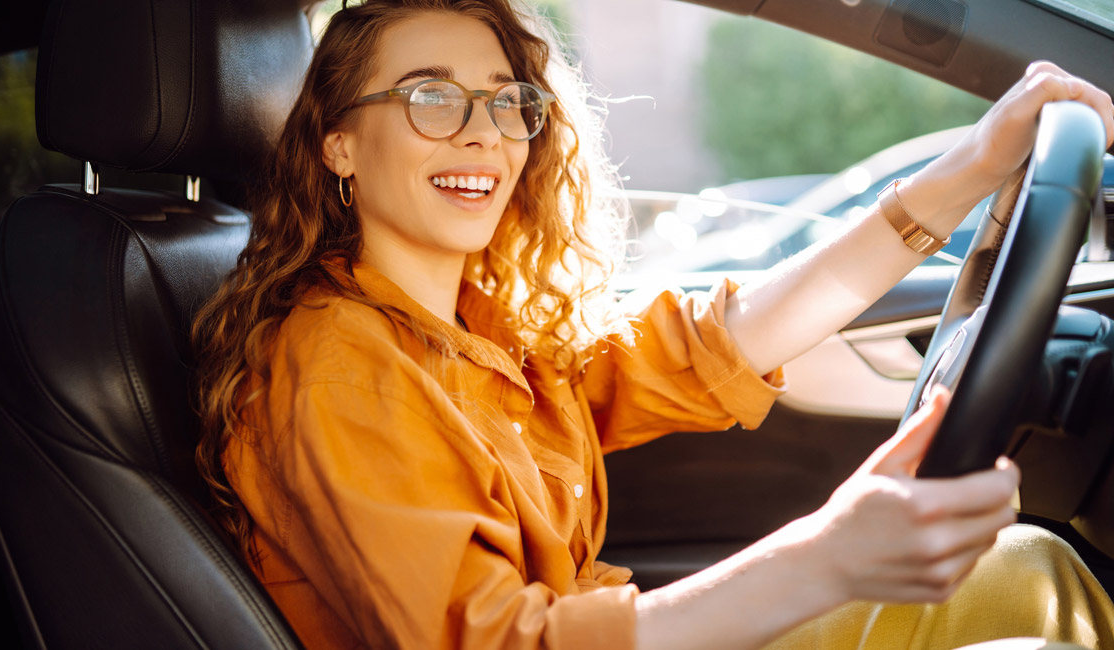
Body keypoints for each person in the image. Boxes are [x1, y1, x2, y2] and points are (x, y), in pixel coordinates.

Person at [190, 0, 1114, 648]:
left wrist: (973, 163)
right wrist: (826, 555)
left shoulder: (482, 331)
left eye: (510, 102)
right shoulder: (335, 364)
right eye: (431, 97)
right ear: (339, 142)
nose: (485, 134)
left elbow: (721, 343)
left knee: (1027, 570)